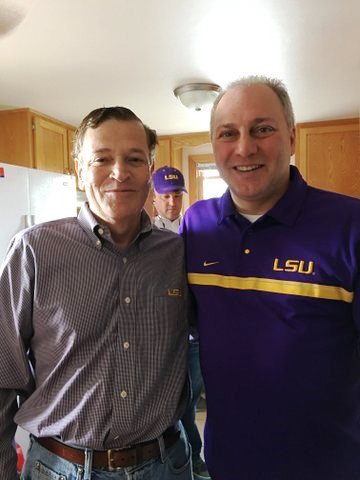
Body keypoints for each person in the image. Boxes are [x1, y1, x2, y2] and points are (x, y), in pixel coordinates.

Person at [180, 76, 360, 479]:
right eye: (228, 133)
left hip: (330, 466)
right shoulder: (196, 225)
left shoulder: (350, 225)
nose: (245, 147)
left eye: (263, 129)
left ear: (292, 138)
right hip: (228, 464)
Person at [0, 106, 192, 480]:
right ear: (79, 169)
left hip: (166, 465)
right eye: (102, 159)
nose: (119, 172)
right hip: (57, 468)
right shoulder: (33, 251)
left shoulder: (179, 255)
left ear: (150, 169)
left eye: (134, 159)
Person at [152, 166, 210, 479]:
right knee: (169, 403)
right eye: (165, 196)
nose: (172, 201)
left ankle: (193, 459)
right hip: (160, 337)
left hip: (194, 336)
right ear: (154, 199)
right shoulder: (145, 235)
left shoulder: (197, 232)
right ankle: (183, 459)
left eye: (177, 195)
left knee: (188, 401)